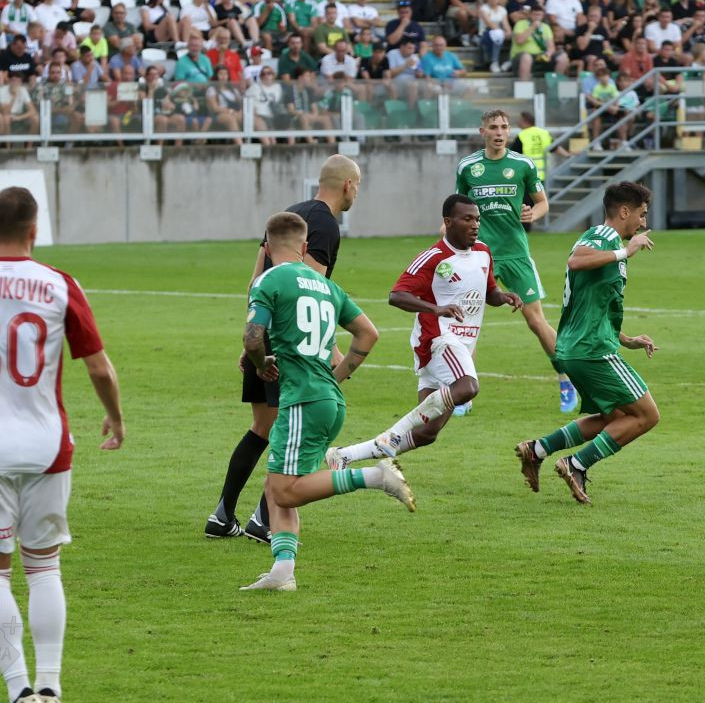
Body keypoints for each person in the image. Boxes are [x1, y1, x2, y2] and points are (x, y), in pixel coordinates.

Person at [0, 186, 124, 703]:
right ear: (35, 230)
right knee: (43, 567)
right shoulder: (60, 283)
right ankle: (51, 686)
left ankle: (18, 690)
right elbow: (99, 368)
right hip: (47, 445)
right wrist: (114, 417)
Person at [239, 211, 414, 592]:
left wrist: (261, 363)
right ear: (304, 246)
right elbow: (368, 334)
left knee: (284, 490)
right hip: (328, 399)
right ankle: (282, 572)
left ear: (266, 248)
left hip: (301, 399)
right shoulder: (325, 285)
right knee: (277, 483)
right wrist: (338, 376)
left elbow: (252, 339)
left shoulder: (268, 279)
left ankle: (376, 476)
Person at [205, 155, 362, 542]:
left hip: (264, 335)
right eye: (358, 185)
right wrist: (328, 349)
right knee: (292, 428)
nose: (357, 192)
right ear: (347, 185)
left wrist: (254, 337)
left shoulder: (290, 214)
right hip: (292, 348)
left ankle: (222, 515)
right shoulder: (325, 225)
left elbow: (257, 281)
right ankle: (264, 519)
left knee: (262, 427)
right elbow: (309, 292)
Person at [325, 195, 523, 468]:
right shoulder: (434, 257)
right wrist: (436, 308)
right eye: (467, 219)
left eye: (477, 219)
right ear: (448, 222)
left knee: (427, 432)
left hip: (461, 346)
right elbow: (396, 295)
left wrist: (503, 297)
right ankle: (393, 433)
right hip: (438, 340)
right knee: (468, 387)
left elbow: (489, 291)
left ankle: (344, 455)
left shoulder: (483, 252)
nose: (475, 224)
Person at [514, 181, 658, 504]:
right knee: (647, 415)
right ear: (624, 211)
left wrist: (627, 339)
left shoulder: (606, 244)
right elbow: (576, 260)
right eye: (642, 214)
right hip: (591, 350)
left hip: (579, 346)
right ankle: (576, 465)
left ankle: (537, 450)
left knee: (614, 417)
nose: (643, 223)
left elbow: (593, 305)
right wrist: (626, 251)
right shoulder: (603, 236)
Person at [456, 109, 578, 413]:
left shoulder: (523, 165)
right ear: (483, 131)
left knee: (536, 321)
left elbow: (542, 203)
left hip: (516, 254)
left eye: (504, 127)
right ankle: (463, 394)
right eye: (493, 127)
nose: (499, 132)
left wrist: (532, 214)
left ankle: (567, 379)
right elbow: (458, 208)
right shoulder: (468, 167)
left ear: (509, 131)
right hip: (479, 255)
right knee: (467, 324)